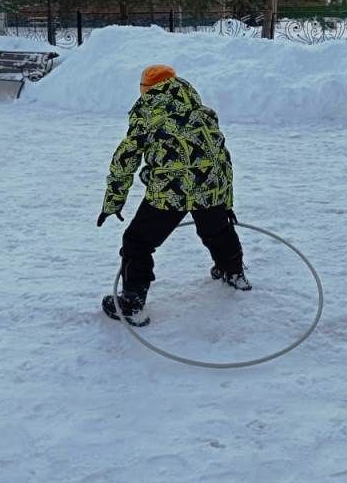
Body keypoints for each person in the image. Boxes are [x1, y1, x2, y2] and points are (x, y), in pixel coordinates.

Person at [97, 65, 250, 327]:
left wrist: (113, 201)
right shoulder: (203, 113)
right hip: (209, 186)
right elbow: (222, 160)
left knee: (137, 241)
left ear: (146, 91)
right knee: (217, 231)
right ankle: (234, 272)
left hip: (171, 191)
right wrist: (225, 203)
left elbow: (125, 159)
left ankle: (132, 301)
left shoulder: (147, 114)